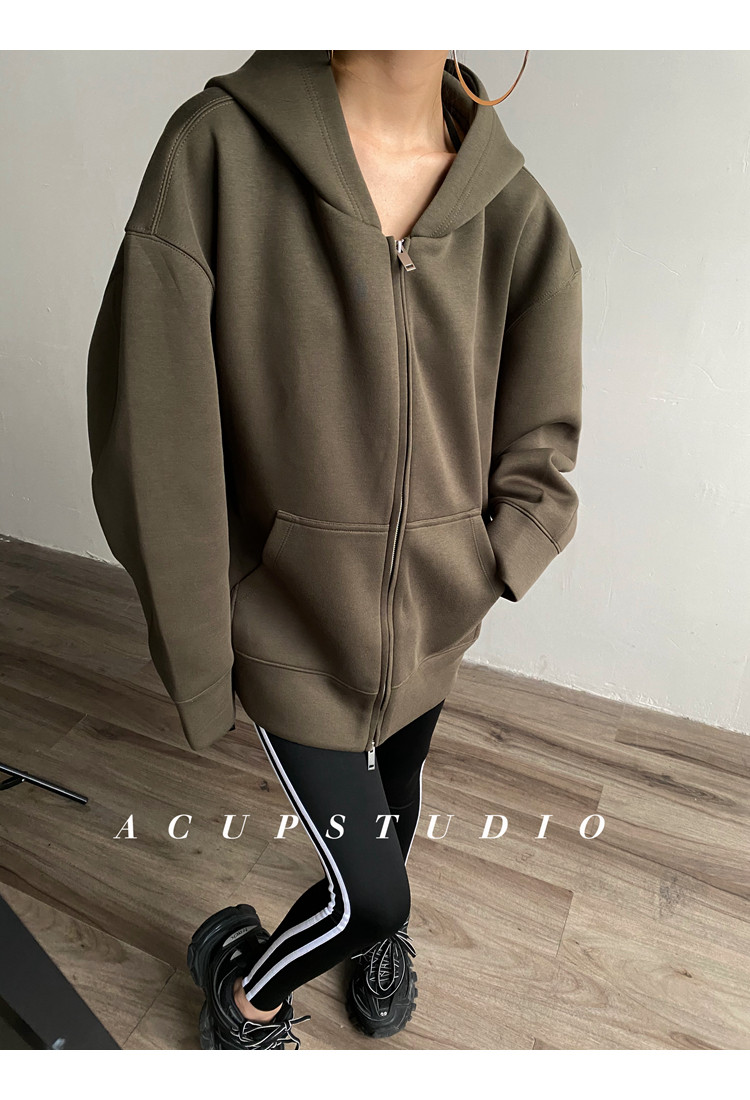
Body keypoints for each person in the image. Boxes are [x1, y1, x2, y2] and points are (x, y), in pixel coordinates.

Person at [86, 50, 583, 1050]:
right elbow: (156, 435)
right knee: (374, 894)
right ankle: (246, 994)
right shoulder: (216, 153)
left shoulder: (513, 209)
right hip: (289, 622)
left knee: (395, 807)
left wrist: (493, 559)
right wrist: (204, 647)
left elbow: (543, 427)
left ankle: (362, 929)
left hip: (434, 617)